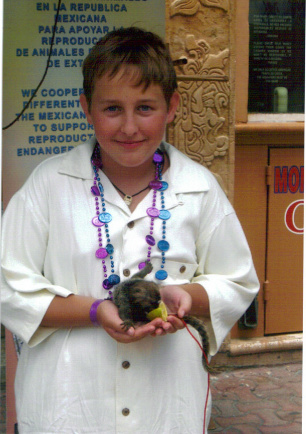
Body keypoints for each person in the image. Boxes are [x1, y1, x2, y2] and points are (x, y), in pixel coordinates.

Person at [1, 27, 259, 434]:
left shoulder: (199, 186)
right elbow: (9, 285)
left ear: (171, 107)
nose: (128, 127)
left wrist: (183, 296)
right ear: (86, 108)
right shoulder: (48, 184)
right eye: (112, 109)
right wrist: (94, 310)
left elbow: (238, 281)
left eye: (144, 108)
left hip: (167, 396)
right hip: (68, 400)